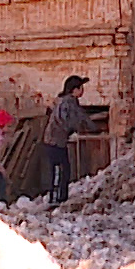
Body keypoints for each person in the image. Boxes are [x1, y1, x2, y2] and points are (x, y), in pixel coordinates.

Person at [41, 75, 100, 203]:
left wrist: (91, 127)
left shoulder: (67, 101)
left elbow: (80, 116)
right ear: (75, 89)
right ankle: (56, 199)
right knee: (60, 170)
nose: (83, 90)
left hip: (55, 141)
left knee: (62, 169)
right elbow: (70, 119)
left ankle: (58, 197)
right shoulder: (67, 102)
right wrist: (82, 128)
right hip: (55, 141)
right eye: (81, 87)